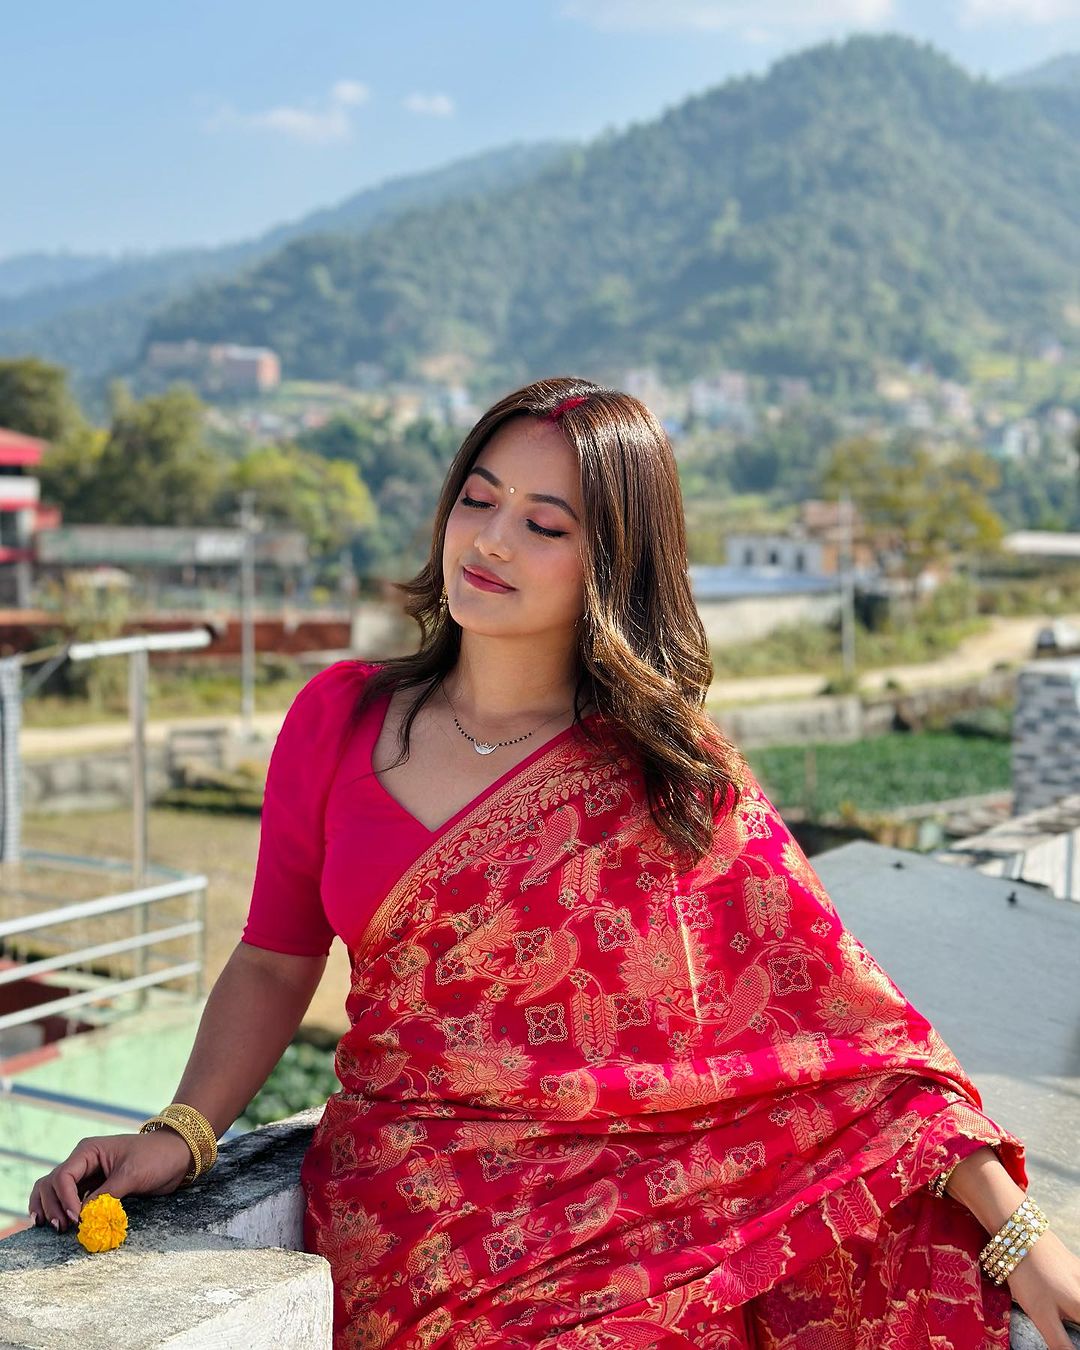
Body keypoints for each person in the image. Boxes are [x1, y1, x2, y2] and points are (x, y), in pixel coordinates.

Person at [28, 377, 1080, 1348]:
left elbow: (853, 1042)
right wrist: (183, 1129)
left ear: (612, 562)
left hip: (641, 1240)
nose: (489, 541)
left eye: (543, 524)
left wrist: (1018, 1238)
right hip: (412, 1226)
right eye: (477, 501)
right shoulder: (336, 718)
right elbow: (272, 960)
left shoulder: (671, 774)